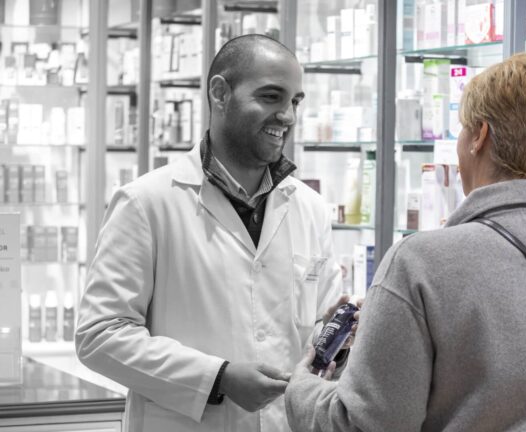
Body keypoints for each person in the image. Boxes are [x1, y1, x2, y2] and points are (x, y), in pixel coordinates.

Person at [284, 53, 526, 432]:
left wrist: (302, 388)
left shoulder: (419, 262)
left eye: (462, 129)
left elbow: (364, 425)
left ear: (479, 136)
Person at [76, 34, 349, 432]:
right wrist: (217, 378)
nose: (288, 116)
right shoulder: (146, 202)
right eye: (271, 97)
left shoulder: (309, 207)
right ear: (220, 93)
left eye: (294, 101)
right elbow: (99, 335)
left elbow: (317, 322)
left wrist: (335, 343)